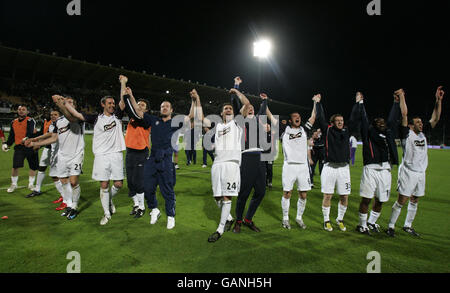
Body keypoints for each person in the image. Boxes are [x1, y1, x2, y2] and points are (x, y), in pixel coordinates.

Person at [122, 85, 194, 230]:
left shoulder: (175, 122)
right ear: (160, 109)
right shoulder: (153, 120)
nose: (164, 108)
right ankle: (154, 210)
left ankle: (170, 215)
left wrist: (193, 100)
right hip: (153, 158)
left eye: (167, 106)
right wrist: (131, 96)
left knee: (167, 189)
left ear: (172, 110)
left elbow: (191, 116)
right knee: (147, 188)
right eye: (162, 106)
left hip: (166, 159)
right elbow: (138, 111)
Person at [386, 86, 444, 237]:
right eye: (418, 122)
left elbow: (436, 118)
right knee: (402, 200)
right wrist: (402, 97)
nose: (421, 124)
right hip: (408, 172)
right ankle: (391, 226)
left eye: (421, 122)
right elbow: (404, 114)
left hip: (420, 173)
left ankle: (408, 225)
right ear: (411, 125)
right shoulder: (407, 134)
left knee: (415, 199)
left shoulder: (422, 135)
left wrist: (438, 101)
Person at [63, 94, 126, 225]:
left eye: (113, 103)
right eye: (109, 103)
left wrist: (123, 83)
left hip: (116, 154)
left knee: (118, 184)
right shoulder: (96, 118)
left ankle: (108, 200)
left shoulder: (117, 116)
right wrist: (65, 103)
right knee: (104, 185)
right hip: (101, 155)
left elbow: (122, 101)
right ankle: (106, 214)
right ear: (103, 104)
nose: (112, 105)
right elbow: (76, 114)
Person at [27, 95, 85, 220]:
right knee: (64, 181)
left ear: (74, 106)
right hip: (62, 156)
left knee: (73, 182)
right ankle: (69, 205)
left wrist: (60, 103)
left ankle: (74, 206)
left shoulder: (77, 117)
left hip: (76, 155)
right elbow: (54, 138)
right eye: (66, 103)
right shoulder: (59, 122)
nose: (68, 105)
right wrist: (35, 143)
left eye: (70, 103)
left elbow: (70, 116)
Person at [354, 91, 401, 235]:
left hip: (386, 170)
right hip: (371, 169)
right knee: (367, 199)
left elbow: (393, 119)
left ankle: (371, 222)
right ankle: (362, 225)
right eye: (378, 122)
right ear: (373, 125)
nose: (382, 123)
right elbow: (363, 119)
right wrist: (360, 103)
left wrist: (396, 103)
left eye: (383, 122)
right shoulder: (369, 132)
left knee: (381, 200)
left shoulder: (388, 133)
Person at [198, 88, 242, 242]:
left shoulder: (237, 123)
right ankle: (229, 218)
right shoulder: (217, 127)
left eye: (230, 108)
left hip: (231, 163)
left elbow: (247, 103)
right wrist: (197, 98)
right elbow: (201, 119)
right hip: (217, 163)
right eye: (225, 109)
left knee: (226, 196)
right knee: (217, 197)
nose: (228, 110)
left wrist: (236, 92)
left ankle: (220, 229)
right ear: (221, 113)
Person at [315, 93, 360, 232]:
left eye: (342, 120)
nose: (341, 122)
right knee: (328, 195)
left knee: (344, 196)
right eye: (338, 121)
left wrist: (357, 103)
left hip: (344, 169)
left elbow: (353, 118)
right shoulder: (327, 130)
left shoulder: (347, 131)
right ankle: (326, 220)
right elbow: (321, 117)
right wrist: (318, 103)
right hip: (329, 168)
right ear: (333, 122)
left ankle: (340, 219)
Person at [231, 77, 270, 234]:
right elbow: (236, 101)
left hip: (260, 158)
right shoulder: (240, 120)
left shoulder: (259, 121)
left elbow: (262, 110)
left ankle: (248, 219)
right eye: (248, 108)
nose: (250, 108)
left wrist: (265, 101)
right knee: (244, 193)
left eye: (253, 108)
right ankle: (238, 221)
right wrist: (236, 86)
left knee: (261, 192)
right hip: (246, 157)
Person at [280, 97, 317, 230]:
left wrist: (315, 102)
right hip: (289, 166)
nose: (298, 118)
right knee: (287, 193)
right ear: (290, 120)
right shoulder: (285, 131)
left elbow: (313, 116)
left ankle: (299, 218)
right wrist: (265, 103)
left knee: (303, 194)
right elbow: (271, 119)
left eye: (299, 116)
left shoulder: (304, 130)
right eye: (295, 117)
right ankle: (285, 218)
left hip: (302, 167)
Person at [118, 75, 151, 218]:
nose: (139, 106)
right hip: (130, 151)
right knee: (130, 181)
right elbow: (123, 104)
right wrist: (122, 85)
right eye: (138, 103)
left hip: (141, 152)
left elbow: (131, 107)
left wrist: (129, 93)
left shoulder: (146, 119)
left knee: (138, 180)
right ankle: (136, 204)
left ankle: (142, 207)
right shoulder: (132, 116)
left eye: (142, 105)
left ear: (147, 110)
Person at [25, 109, 64, 201]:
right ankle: (37, 189)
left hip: (60, 151)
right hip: (50, 149)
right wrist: (34, 139)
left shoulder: (61, 124)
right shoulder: (51, 124)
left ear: (60, 116)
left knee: (59, 175)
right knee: (42, 168)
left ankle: (65, 196)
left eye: (55, 114)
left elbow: (52, 137)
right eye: (51, 115)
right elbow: (47, 134)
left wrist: (37, 143)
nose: (53, 116)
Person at [2, 105, 38, 193]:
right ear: (17, 111)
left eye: (23, 110)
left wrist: (27, 138)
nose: (21, 111)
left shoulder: (30, 120)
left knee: (33, 166)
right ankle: (14, 184)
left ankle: (31, 184)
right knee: (15, 166)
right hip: (19, 147)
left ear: (27, 112)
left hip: (30, 145)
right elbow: (11, 135)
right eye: (19, 109)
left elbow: (30, 131)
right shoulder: (13, 122)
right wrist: (7, 144)